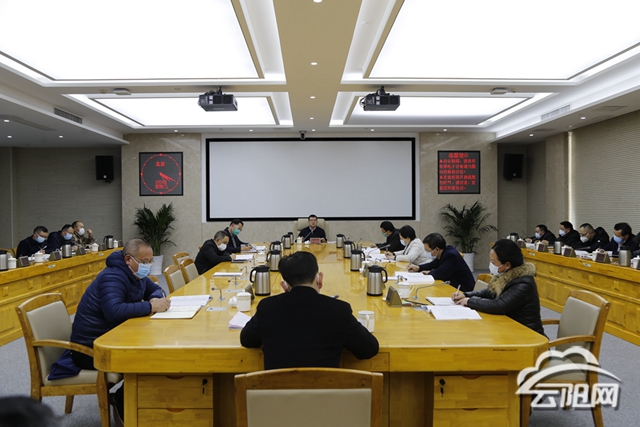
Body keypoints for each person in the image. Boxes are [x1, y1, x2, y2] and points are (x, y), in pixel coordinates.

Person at [240, 251, 379, 369]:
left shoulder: (267, 307)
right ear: (319, 279)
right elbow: (369, 349)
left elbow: (247, 340)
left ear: (285, 284)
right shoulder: (338, 310)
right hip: (326, 392)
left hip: (276, 392)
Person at [69, 239, 170, 369]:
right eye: (144, 262)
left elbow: (156, 289)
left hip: (114, 336)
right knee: (150, 359)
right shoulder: (112, 277)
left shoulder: (135, 274)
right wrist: (151, 306)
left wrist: (155, 299)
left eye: (150, 261)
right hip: (91, 348)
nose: (148, 266)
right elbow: (114, 311)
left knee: (156, 348)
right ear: (128, 259)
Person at [452, 239, 545, 336]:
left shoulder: (524, 283)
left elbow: (498, 305)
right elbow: (490, 292)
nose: (491, 265)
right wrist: (466, 295)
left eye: (493, 262)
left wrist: (469, 301)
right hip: (509, 328)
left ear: (507, 265)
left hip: (527, 335)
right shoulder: (505, 276)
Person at [407, 233, 475, 292]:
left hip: (462, 290)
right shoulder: (444, 252)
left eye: (428, 251)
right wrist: (418, 268)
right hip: (452, 286)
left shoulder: (451, 256)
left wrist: (429, 272)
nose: (427, 253)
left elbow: (440, 274)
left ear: (437, 249)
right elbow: (433, 264)